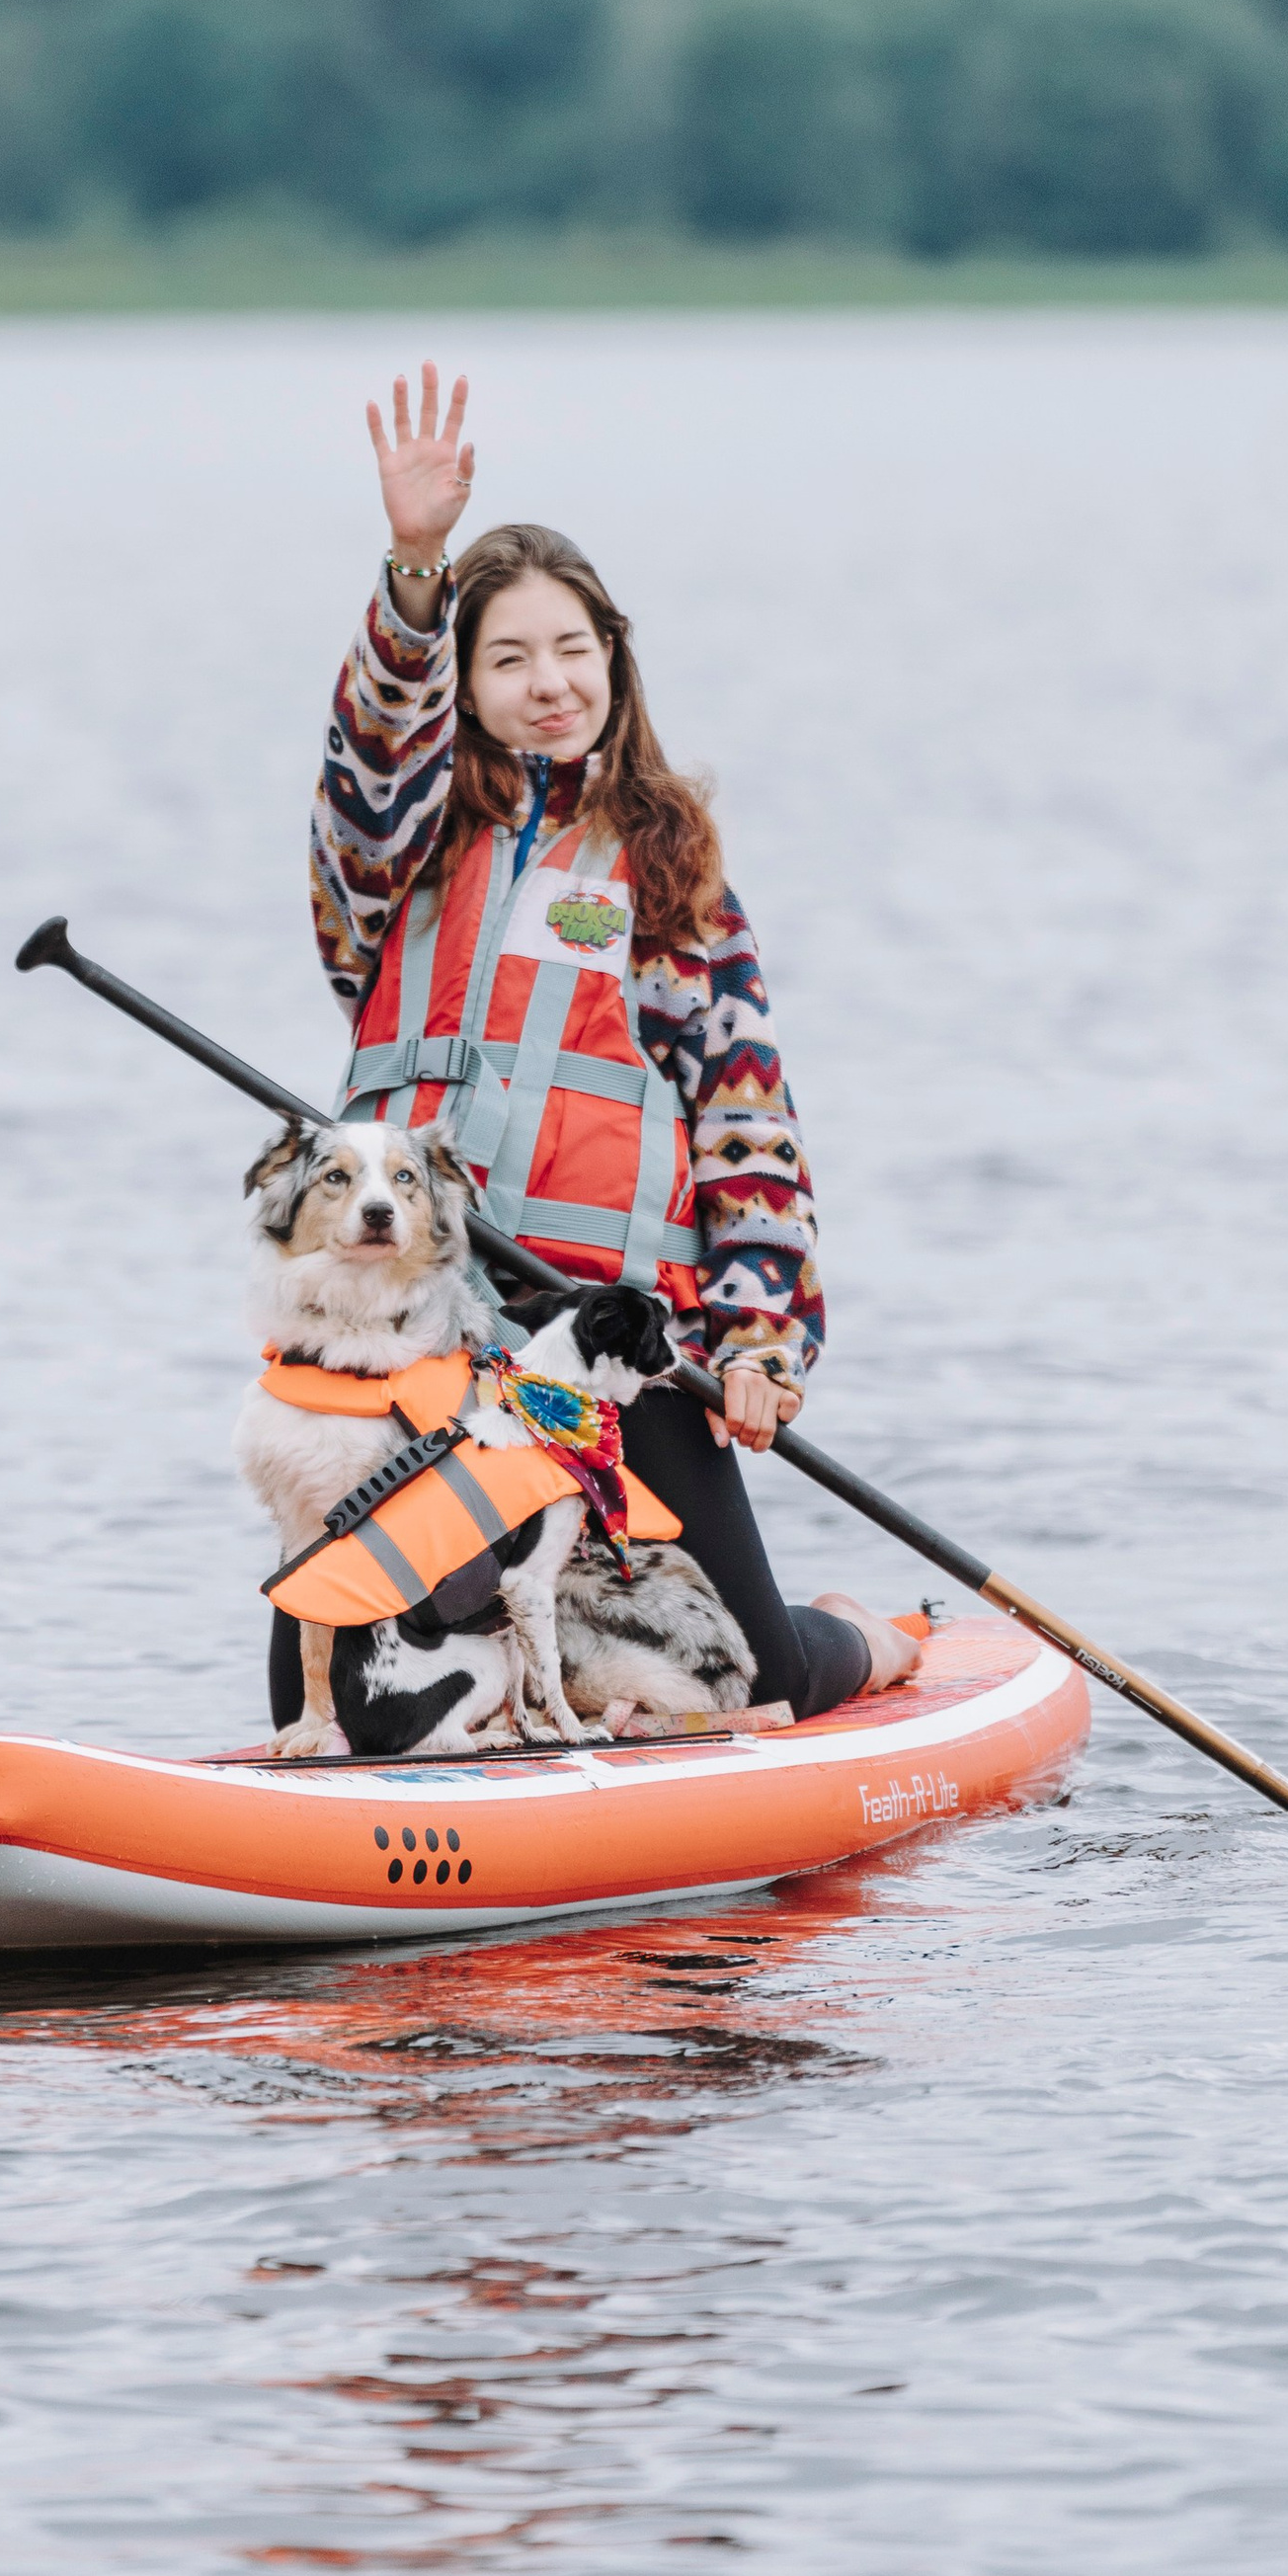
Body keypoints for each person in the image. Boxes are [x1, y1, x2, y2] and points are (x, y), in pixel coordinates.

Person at [275, 360, 921, 1731]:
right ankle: (500, 1700)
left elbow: (747, 1129)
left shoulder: (670, 871)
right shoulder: (394, 866)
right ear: (465, 685)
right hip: (427, 1350)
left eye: (573, 649)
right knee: (341, 1674)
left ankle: (869, 1635)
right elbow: (369, 766)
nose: (548, 683)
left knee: (765, 1677)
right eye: (506, 658)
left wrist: (759, 1341)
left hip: (614, 1351)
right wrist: (412, 567)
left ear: (615, 659)